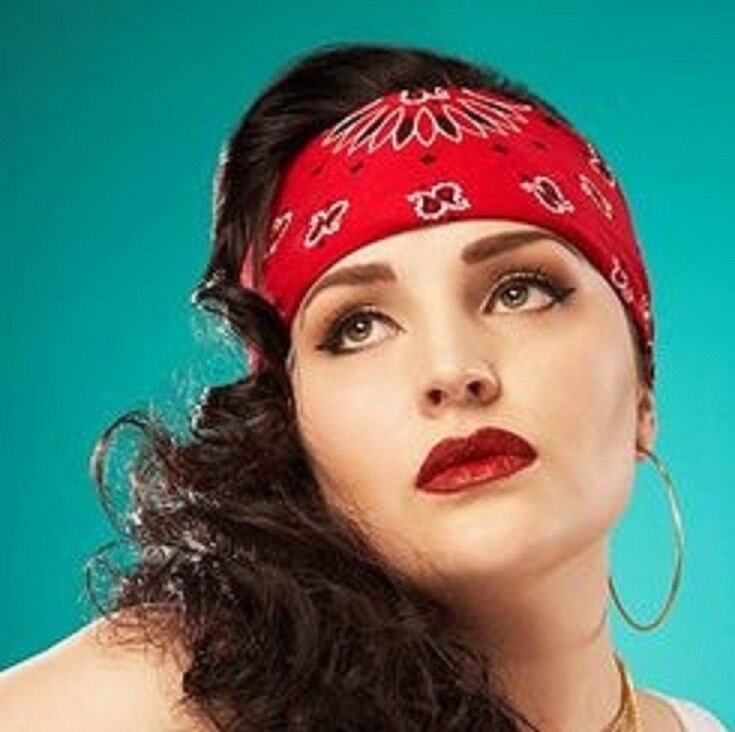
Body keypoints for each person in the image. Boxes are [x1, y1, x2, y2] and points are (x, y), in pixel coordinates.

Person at [0, 42, 729, 731]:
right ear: (290, 423)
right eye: (358, 327)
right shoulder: (172, 695)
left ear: (643, 393)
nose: (452, 370)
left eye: (518, 291)